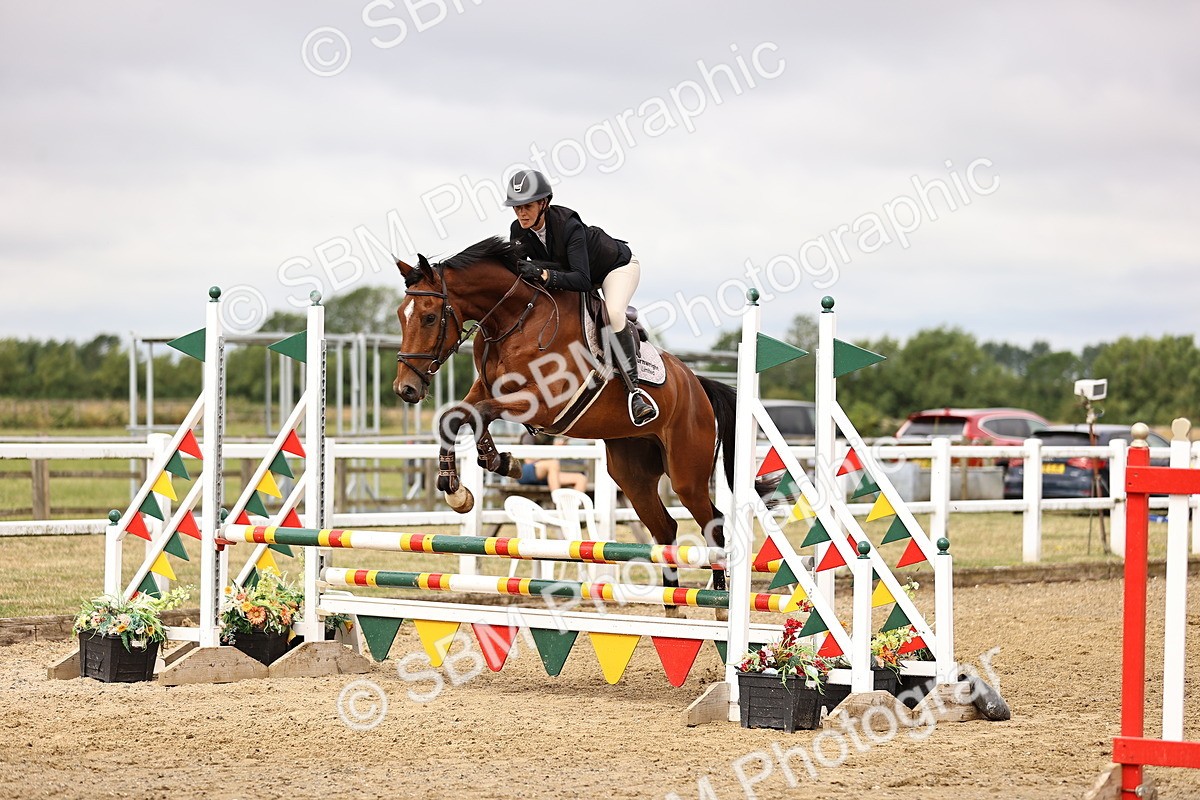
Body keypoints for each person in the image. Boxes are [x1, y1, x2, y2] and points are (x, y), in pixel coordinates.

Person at [504, 169, 657, 425]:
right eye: (516, 207)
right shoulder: (518, 231)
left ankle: (635, 392)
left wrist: (542, 274)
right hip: (576, 273)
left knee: (614, 313)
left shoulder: (568, 226)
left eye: (527, 206)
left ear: (544, 203)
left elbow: (582, 280)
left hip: (616, 268)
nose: (521, 213)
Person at [516, 432, 588, 492]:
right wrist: (551, 450)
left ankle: (571, 507)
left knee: (581, 479)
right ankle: (558, 502)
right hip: (524, 472)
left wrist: (558, 449)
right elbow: (528, 460)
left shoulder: (550, 435)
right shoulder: (529, 436)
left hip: (548, 474)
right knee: (553, 464)